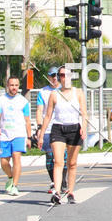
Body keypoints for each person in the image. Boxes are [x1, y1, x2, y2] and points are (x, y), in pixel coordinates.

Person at [38, 64, 87, 205]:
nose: (63, 78)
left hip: (74, 129)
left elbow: (84, 113)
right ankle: (57, 193)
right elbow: (47, 116)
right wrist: (41, 135)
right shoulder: (54, 94)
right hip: (58, 129)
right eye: (61, 75)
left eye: (66, 75)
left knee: (72, 163)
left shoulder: (78, 93)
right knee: (58, 162)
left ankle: (70, 192)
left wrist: (83, 127)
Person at [0, 76, 31, 196]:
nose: (14, 87)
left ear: (18, 87)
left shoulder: (23, 101)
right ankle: (10, 177)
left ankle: (15, 185)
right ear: (7, 86)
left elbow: (27, 120)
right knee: (4, 162)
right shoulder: (1, 100)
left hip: (19, 134)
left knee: (16, 157)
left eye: (16, 85)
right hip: (5, 135)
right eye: (12, 85)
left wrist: (29, 137)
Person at [36, 67, 67, 193]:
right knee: (49, 156)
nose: (54, 78)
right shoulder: (43, 92)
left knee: (62, 157)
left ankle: (63, 182)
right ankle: (54, 182)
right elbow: (39, 111)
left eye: (56, 75)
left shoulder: (65, 91)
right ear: (48, 77)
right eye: (51, 75)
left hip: (62, 127)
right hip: (48, 128)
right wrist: (39, 128)